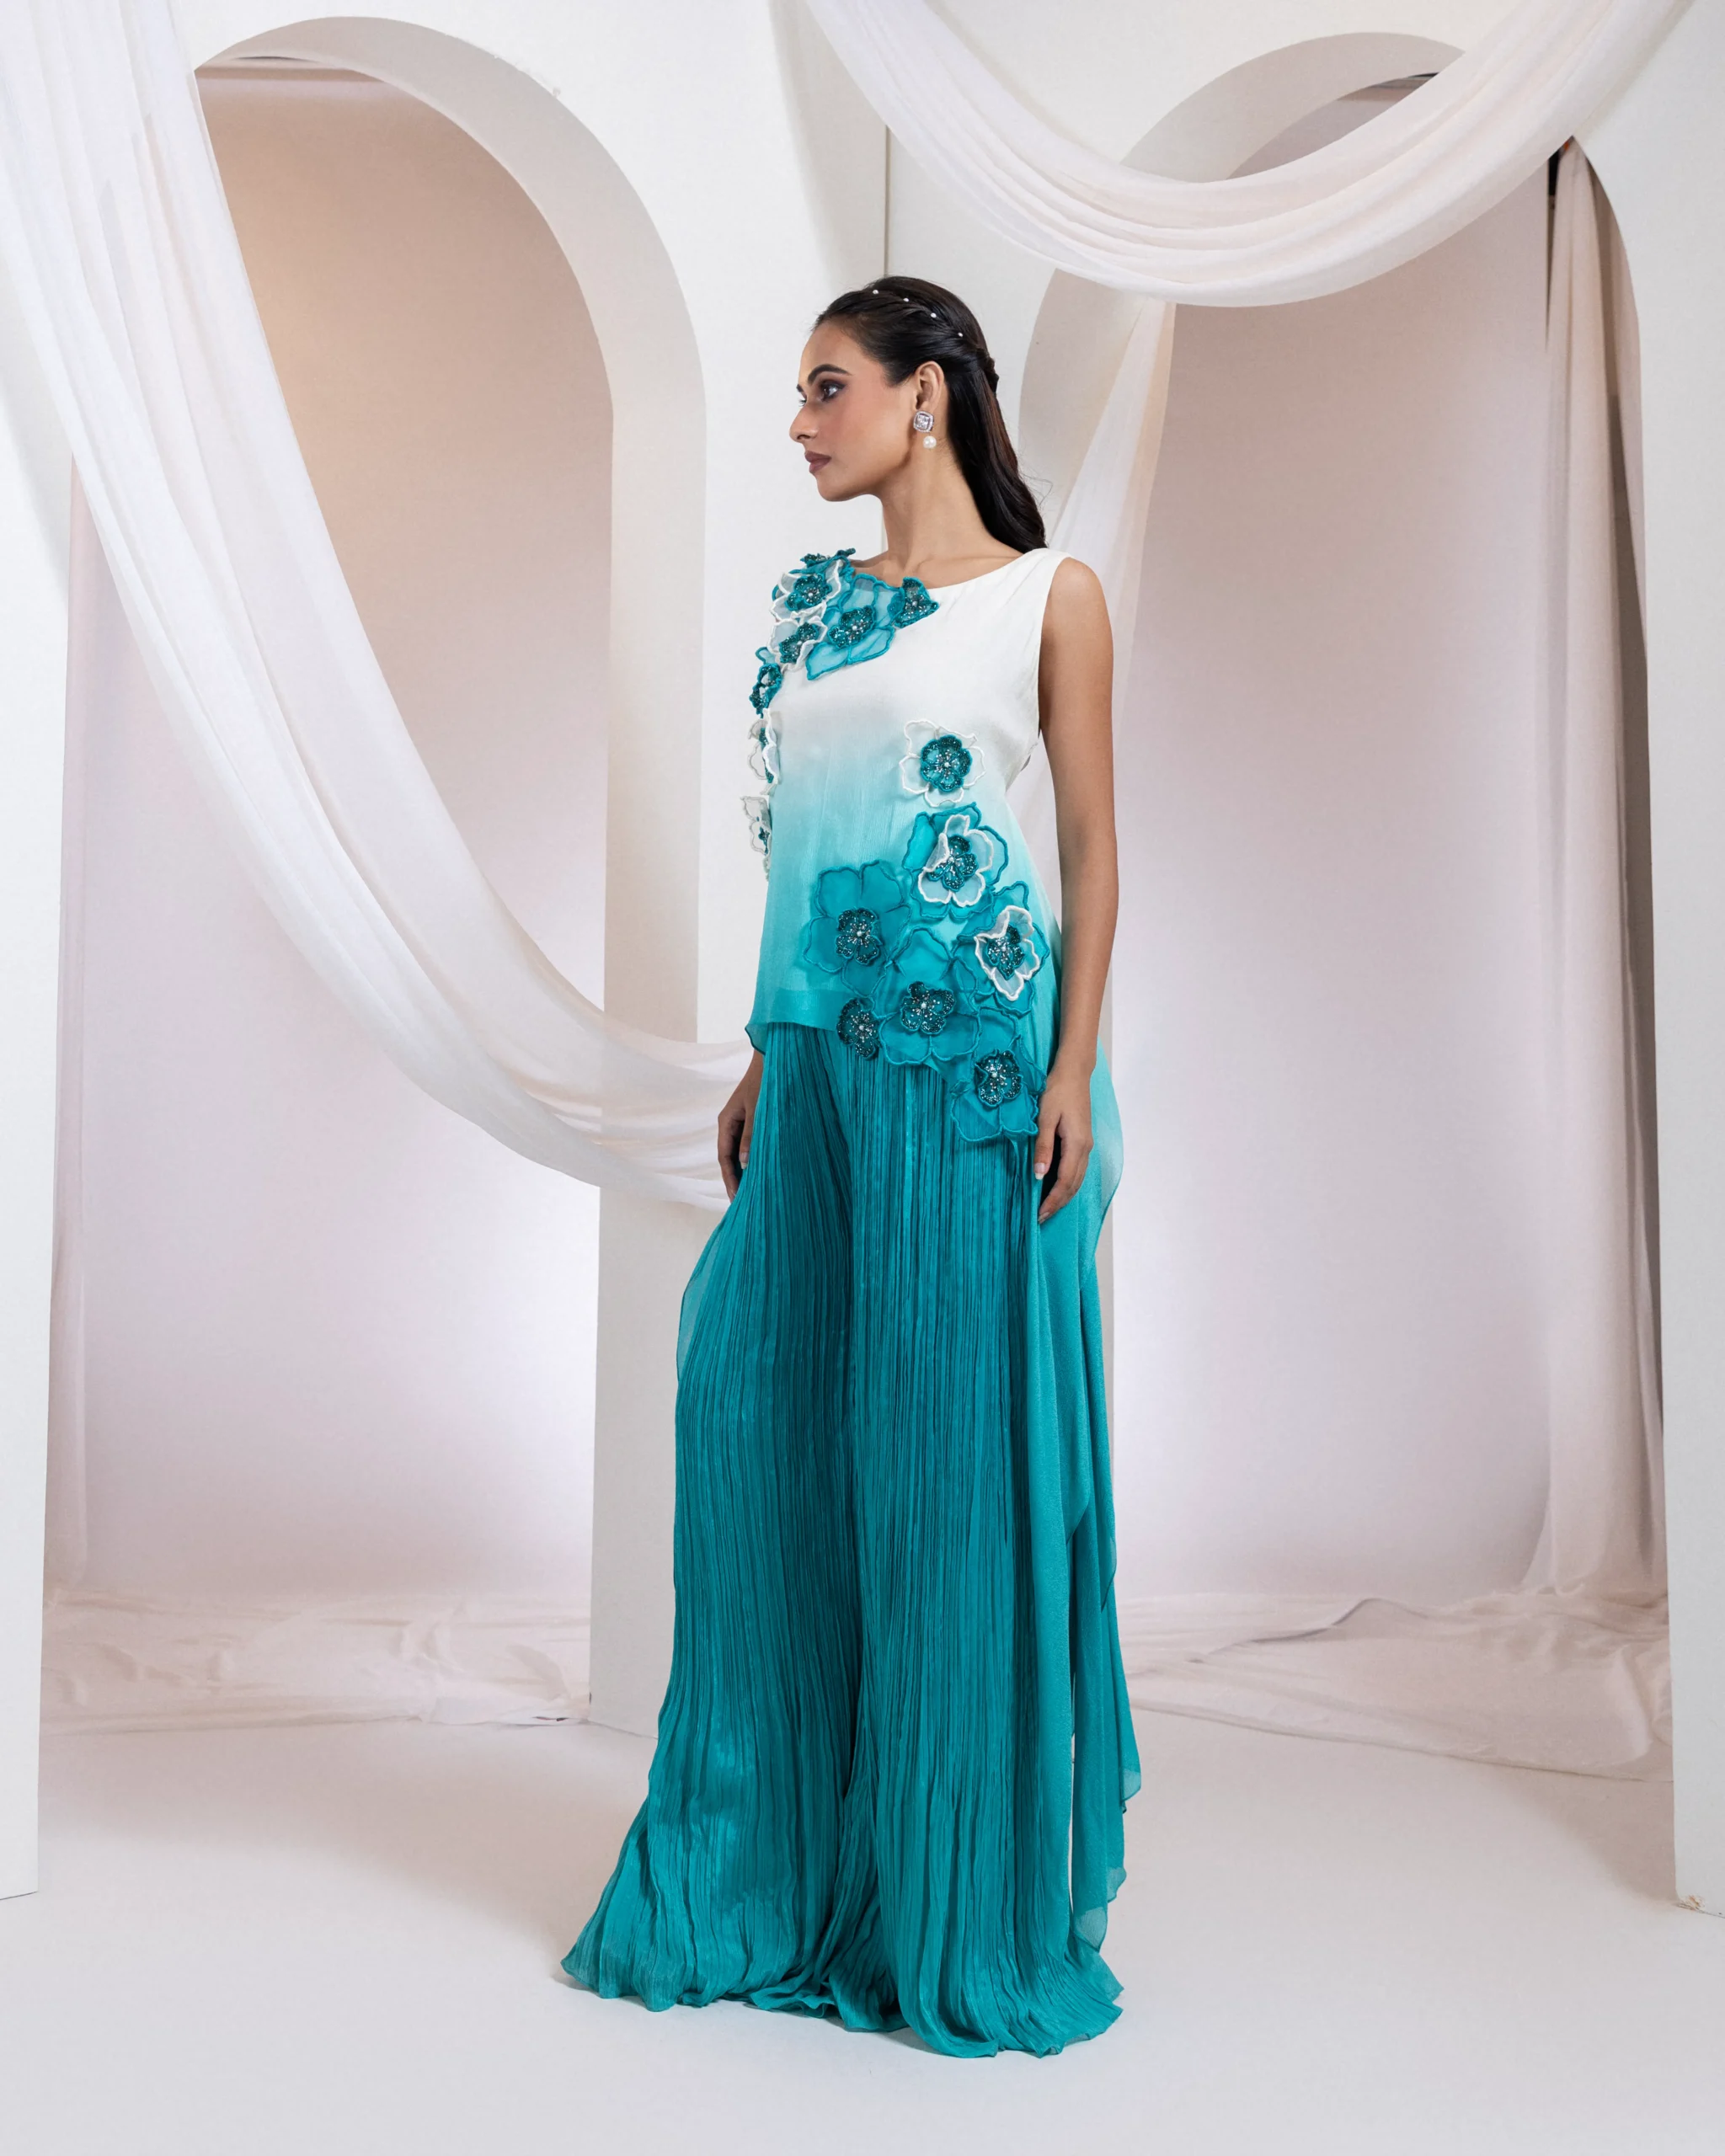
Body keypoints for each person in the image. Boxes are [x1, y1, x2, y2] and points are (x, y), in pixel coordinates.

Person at [562, 275, 1139, 2057]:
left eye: (828, 387)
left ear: (926, 395)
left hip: (969, 1079)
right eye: (802, 392)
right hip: (813, 1077)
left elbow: (1096, 846)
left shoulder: (1048, 597)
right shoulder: (818, 610)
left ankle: (943, 1899)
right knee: (755, 1413)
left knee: (934, 1465)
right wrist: (766, 1046)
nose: (801, 423)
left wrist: (1071, 1066)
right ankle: (763, 1860)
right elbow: (805, 854)